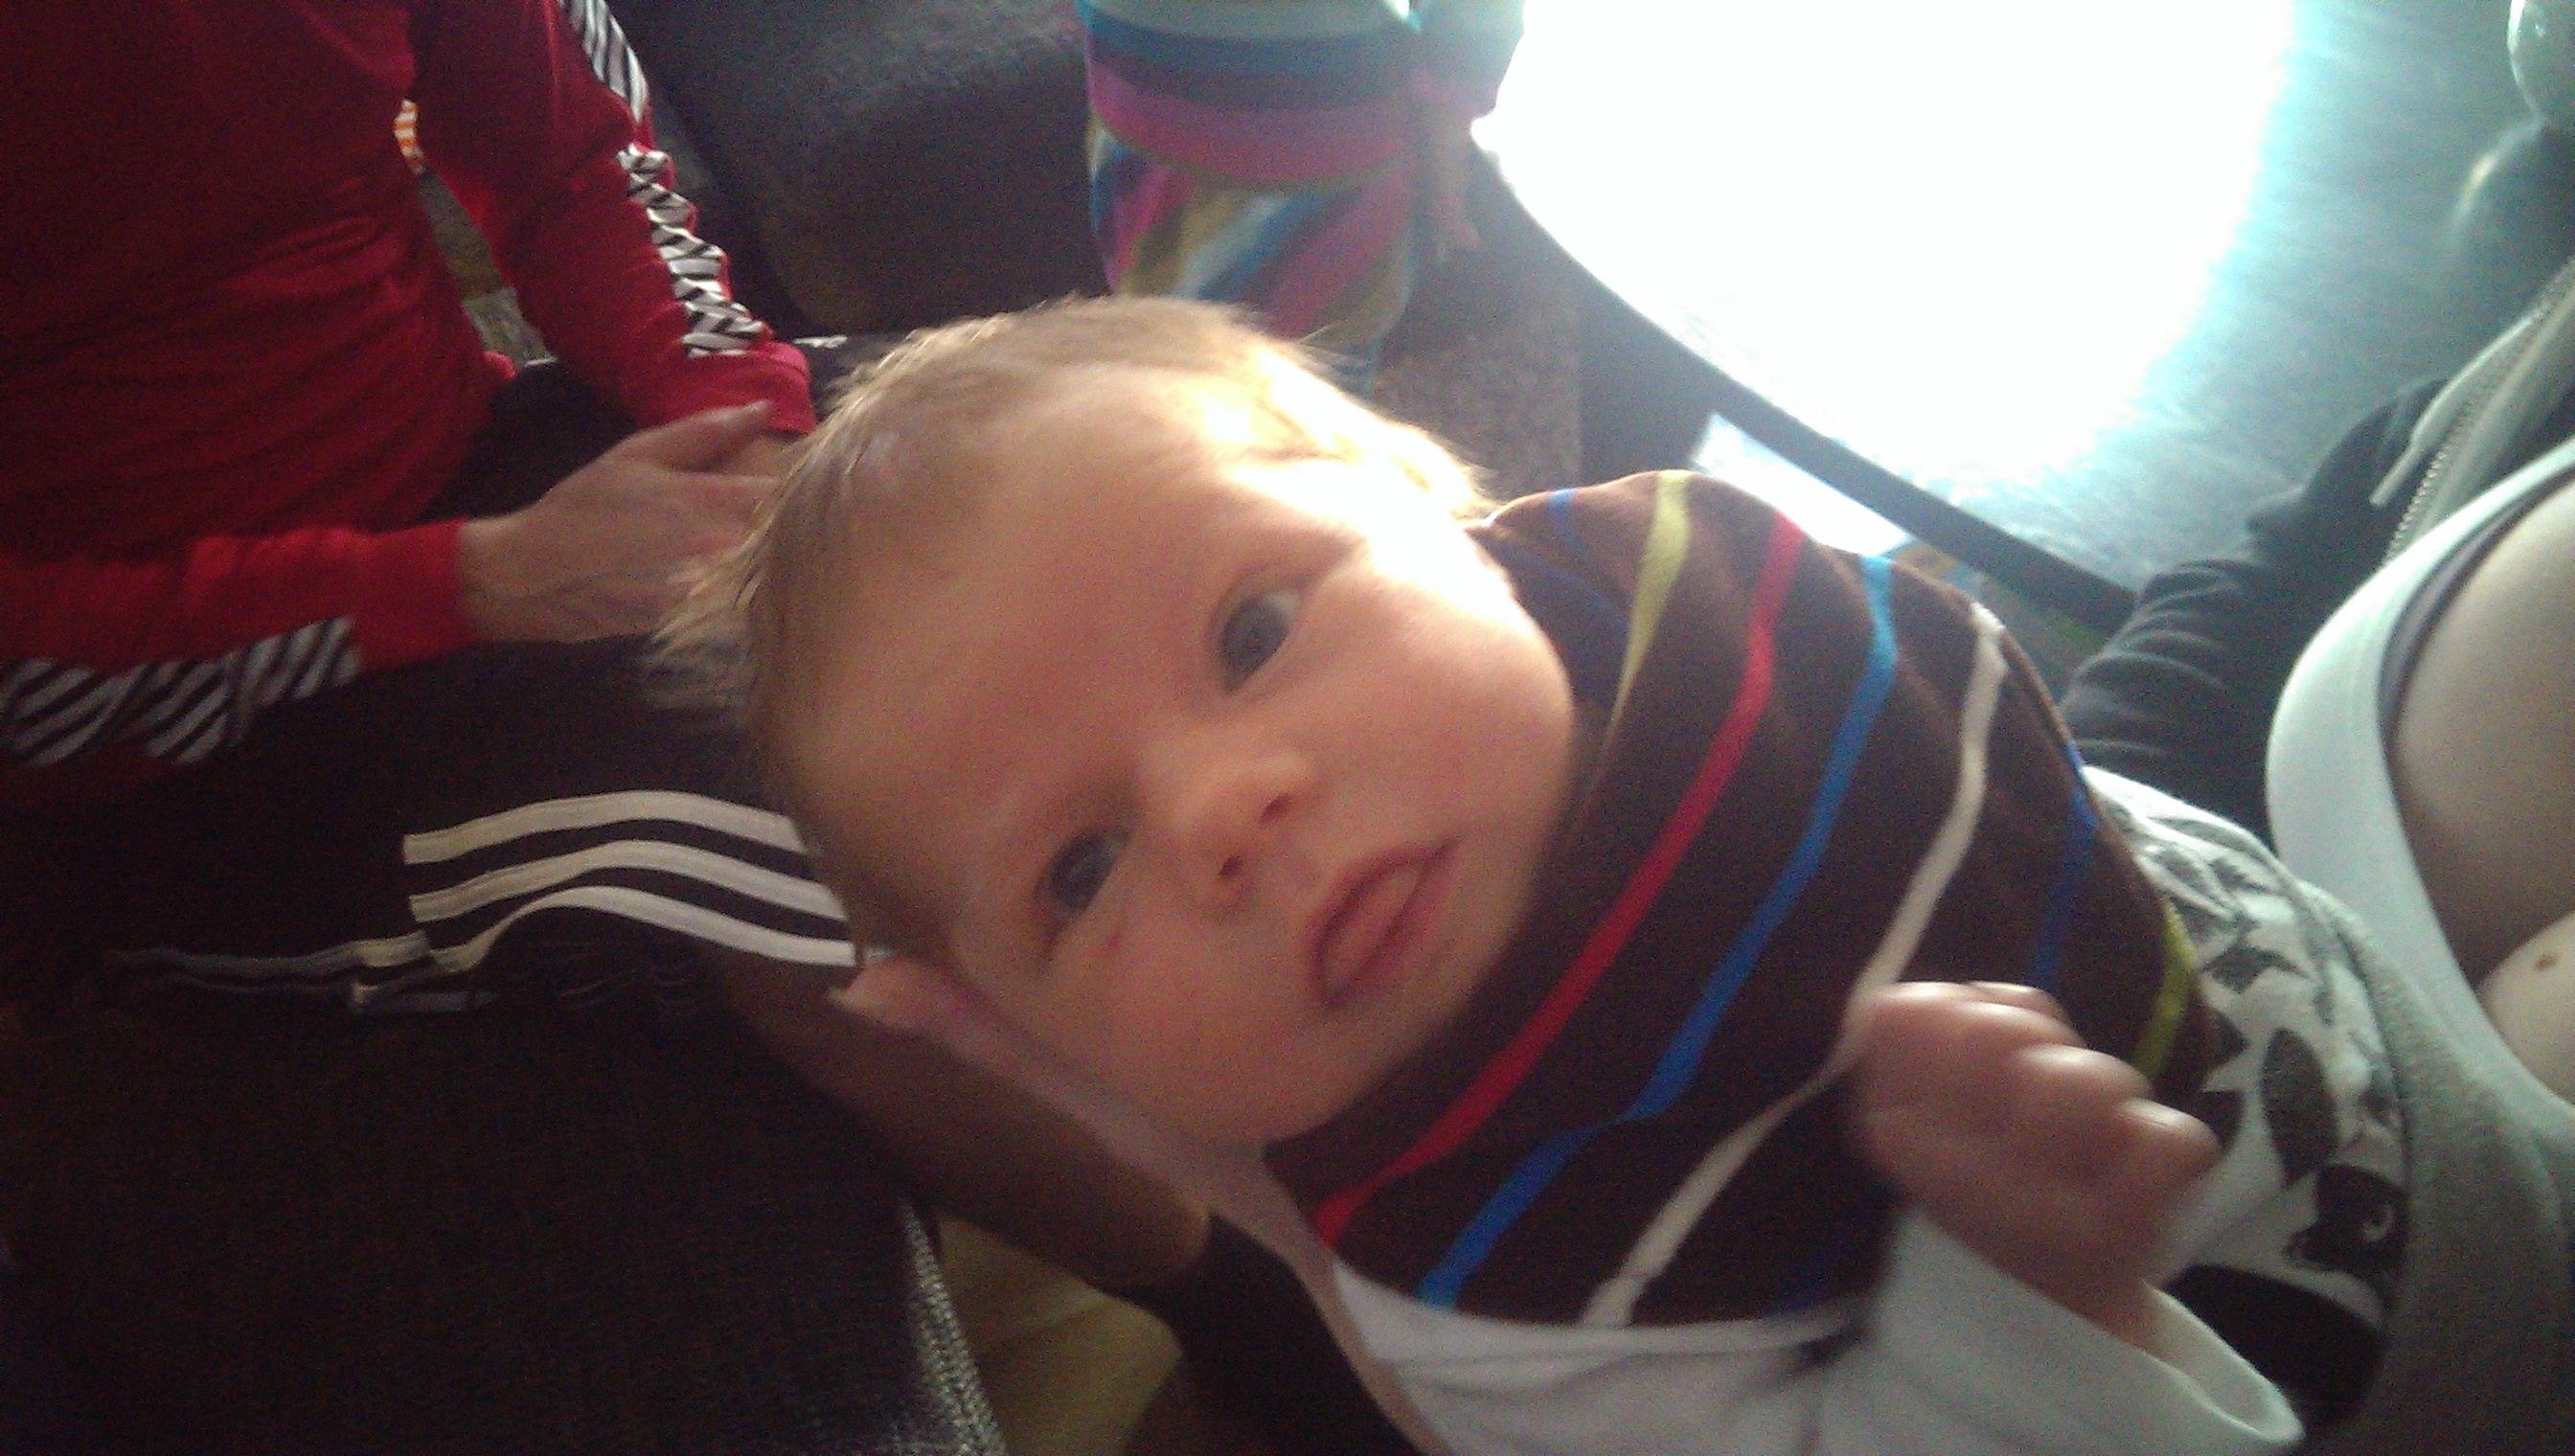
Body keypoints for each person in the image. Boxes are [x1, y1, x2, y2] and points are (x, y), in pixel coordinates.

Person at [665, 296, 2454, 1454]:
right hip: (2436, 1313)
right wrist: (2021, 1279)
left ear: (1451, 515)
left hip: (2342, 946)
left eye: (1254, 630)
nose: (1220, 809)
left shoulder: (1650, 593)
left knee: (2398, 521)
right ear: (1037, 1041)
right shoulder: (1495, 1268)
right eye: (1078, 869)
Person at [1, 2, 1193, 1446]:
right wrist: (482, 585)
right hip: (176, 757)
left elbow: (575, 161)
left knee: (1097, 456)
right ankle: (1274, 1316)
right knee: (755, 825)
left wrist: (748, 427)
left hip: (487, 472)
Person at [1082, 0, 1522, 384]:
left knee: (1271, 377)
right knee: (1198, 360)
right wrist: (1448, 130)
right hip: (1181, 127)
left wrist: (1449, 122)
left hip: (1276, 141)